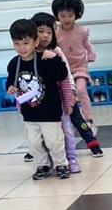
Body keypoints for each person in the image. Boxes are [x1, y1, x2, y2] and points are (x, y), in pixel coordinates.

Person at [33, 12, 104, 169]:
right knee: (42, 131)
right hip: (42, 100)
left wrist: (70, 93)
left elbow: (66, 75)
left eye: (49, 32)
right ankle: (41, 156)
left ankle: (90, 144)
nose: (45, 35)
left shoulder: (57, 49)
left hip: (65, 93)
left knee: (75, 121)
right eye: (40, 31)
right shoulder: (29, 54)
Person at [6, 18, 69, 181]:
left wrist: (54, 58)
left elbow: (62, 75)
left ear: (36, 42)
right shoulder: (14, 63)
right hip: (29, 113)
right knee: (33, 143)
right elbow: (11, 80)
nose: (21, 48)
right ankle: (43, 164)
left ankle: (61, 164)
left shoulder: (45, 59)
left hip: (50, 111)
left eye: (25, 43)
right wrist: (10, 87)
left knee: (54, 141)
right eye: (17, 43)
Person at [51, 0, 97, 128]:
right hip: (63, 69)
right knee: (64, 95)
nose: (66, 19)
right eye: (62, 16)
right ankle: (64, 120)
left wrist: (92, 54)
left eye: (70, 15)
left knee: (81, 90)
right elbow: (53, 48)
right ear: (57, 16)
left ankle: (89, 118)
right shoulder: (55, 33)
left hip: (80, 67)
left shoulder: (82, 31)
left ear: (76, 15)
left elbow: (88, 45)